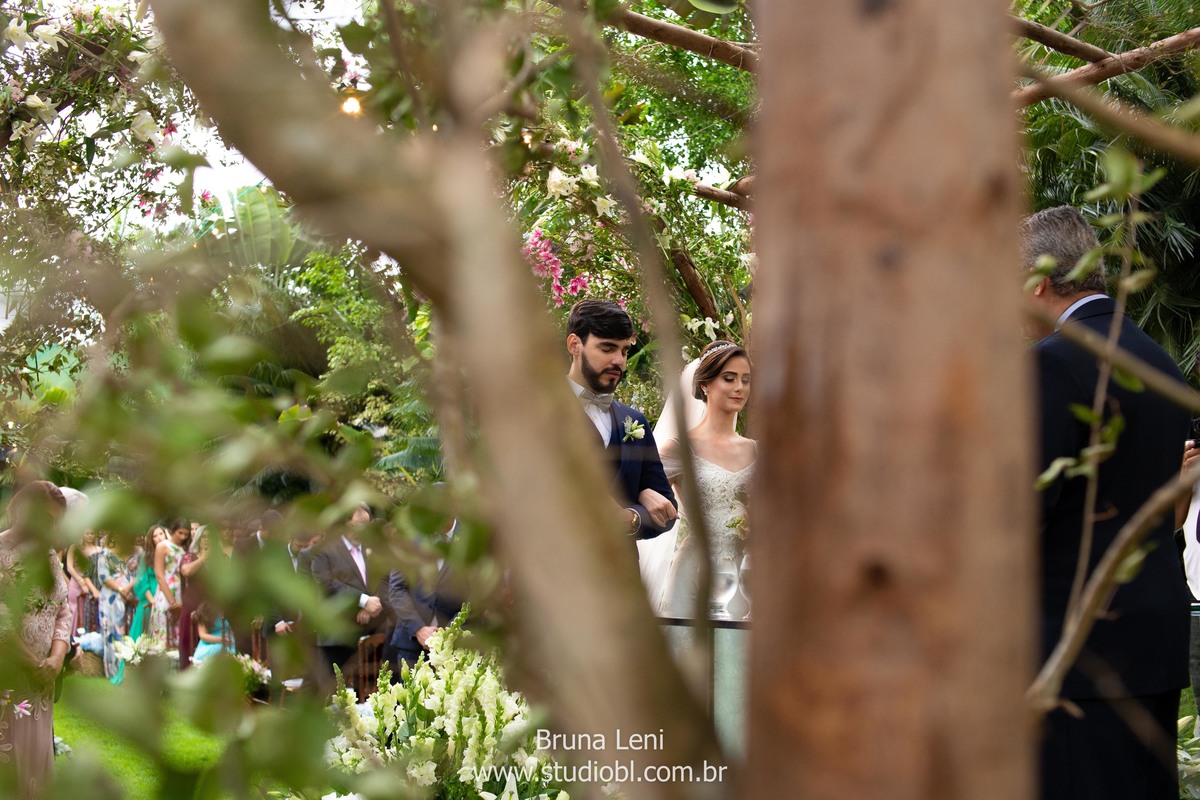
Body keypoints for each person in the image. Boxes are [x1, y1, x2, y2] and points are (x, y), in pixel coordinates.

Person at [1024, 206, 1190, 800]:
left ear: (1036, 284)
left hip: (1074, 648)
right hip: (1153, 640)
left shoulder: (1051, 364)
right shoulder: (1156, 359)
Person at [565, 299, 677, 545]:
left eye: (624, 351)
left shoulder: (634, 421)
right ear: (575, 345)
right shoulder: (543, 410)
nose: (619, 361)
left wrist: (633, 518)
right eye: (607, 349)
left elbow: (668, 510)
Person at [656, 341, 755, 618]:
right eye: (729, 378)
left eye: (745, 380)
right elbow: (642, 493)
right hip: (694, 572)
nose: (739, 388)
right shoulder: (678, 449)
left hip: (744, 576)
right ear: (705, 385)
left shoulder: (757, 451)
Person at [0, 481, 70, 799]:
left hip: (41, 685)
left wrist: (56, 658)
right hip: (10, 679)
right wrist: (33, 663)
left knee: (35, 769)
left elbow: (63, 609)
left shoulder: (49, 555)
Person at [306, 504, 391, 693]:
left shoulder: (372, 549)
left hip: (371, 632)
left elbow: (384, 578)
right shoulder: (324, 550)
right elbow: (327, 584)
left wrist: (372, 602)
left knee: (371, 692)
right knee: (334, 692)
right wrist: (362, 601)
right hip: (338, 632)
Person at [384, 485, 467, 672]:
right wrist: (419, 629)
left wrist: (450, 631)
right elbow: (397, 589)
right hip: (412, 644)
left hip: (457, 645)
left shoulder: (471, 539)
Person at [95, 534, 137, 678]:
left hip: (130, 598)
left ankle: (129, 671)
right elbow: (103, 578)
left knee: (128, 632)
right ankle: (112, 671)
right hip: (110, 598)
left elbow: (139, 574)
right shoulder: (105, 554)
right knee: (111, 633)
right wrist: (121, 590)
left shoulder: (136, 553)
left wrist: (129, 589)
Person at [148, 520, 188, 650]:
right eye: (180, 533)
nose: (183, 537)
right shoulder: (163, 546)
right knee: (163, 631)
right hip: (166, 591)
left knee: (179, 631)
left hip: (182, 590)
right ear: (172, 531)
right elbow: (159, 575)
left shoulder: (186, 548)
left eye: (185, 534)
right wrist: (172, 601)